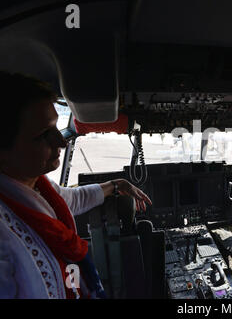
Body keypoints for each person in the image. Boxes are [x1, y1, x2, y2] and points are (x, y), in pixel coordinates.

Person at [0, 71, 152, 298]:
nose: (61, 141)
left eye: (56, 127)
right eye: (43, 135)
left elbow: (73, 199)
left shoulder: (39, 188)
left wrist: (115, 185)